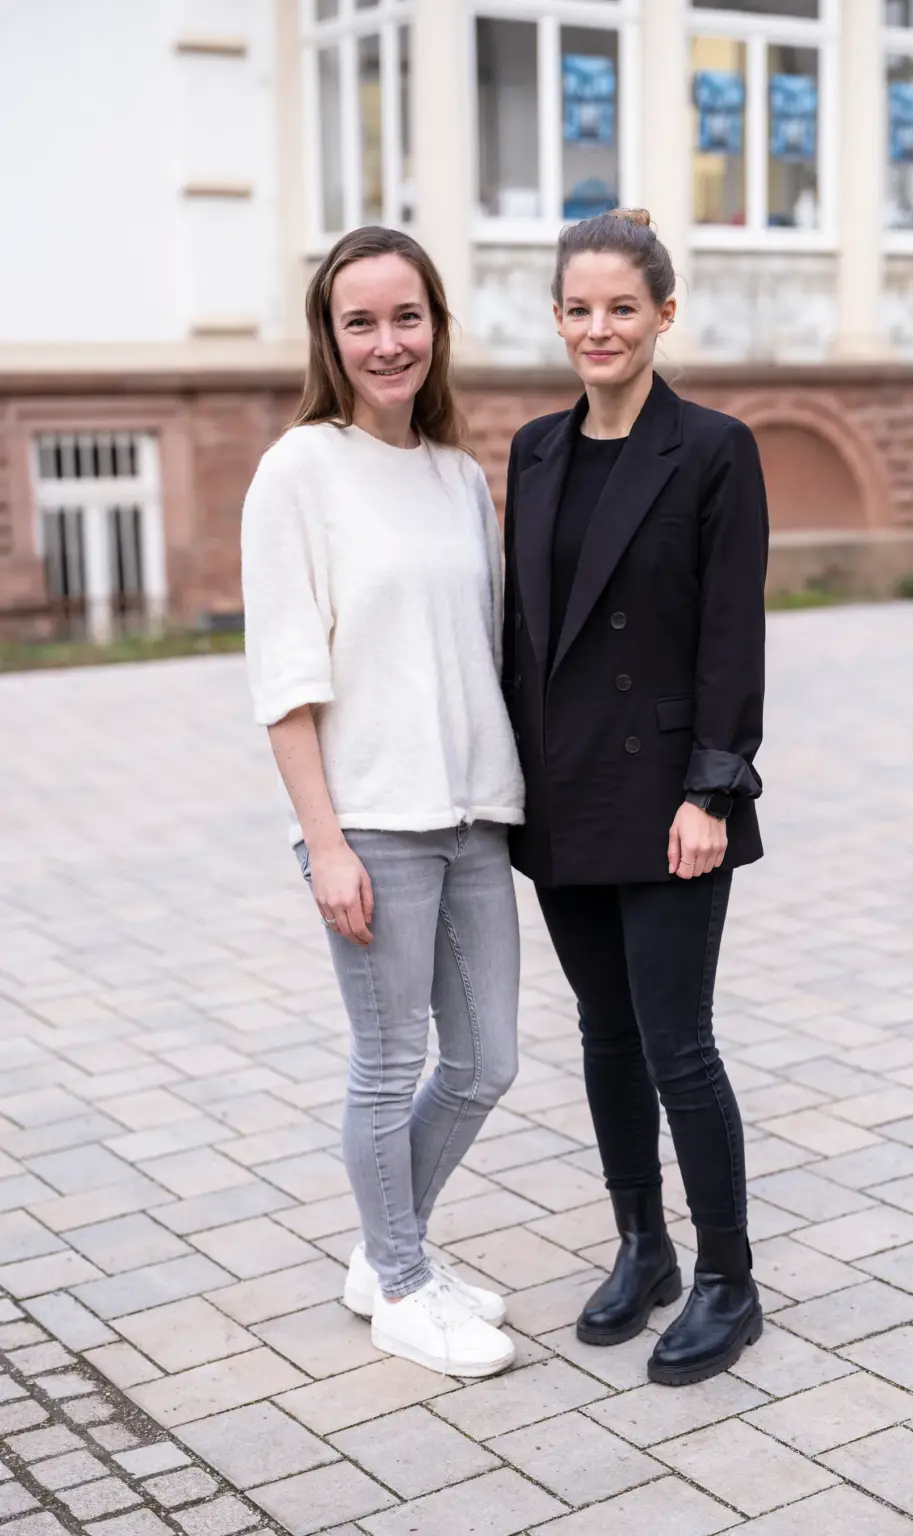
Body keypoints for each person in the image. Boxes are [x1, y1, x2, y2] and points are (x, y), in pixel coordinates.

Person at [241, 226, 524, 1379]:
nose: (386, 341)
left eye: (406, 317)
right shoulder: (298, 471)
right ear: (330, 337)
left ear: (436, 329)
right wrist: (324, 846)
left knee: (486, 1062)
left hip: (473, 818)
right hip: (370, 823)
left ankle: (383, 1251)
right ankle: (402, 1285)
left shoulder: (456, 475)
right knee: (387, 1058)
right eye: (359, 322)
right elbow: (284, 681)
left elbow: (484, 648)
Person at [502, 208, 768, 1387]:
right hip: (561, 797)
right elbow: (521, 632)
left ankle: (727, 1281)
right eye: (577, 308)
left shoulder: (711, 448)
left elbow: (729, 634)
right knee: (602, 1034)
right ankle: (641, 1246)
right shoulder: (532, 451)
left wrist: (711, 789)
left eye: (620, 307)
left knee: (676, 1046)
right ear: (555, 318)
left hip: (668, 802)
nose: (597, 328)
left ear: (663, 314)